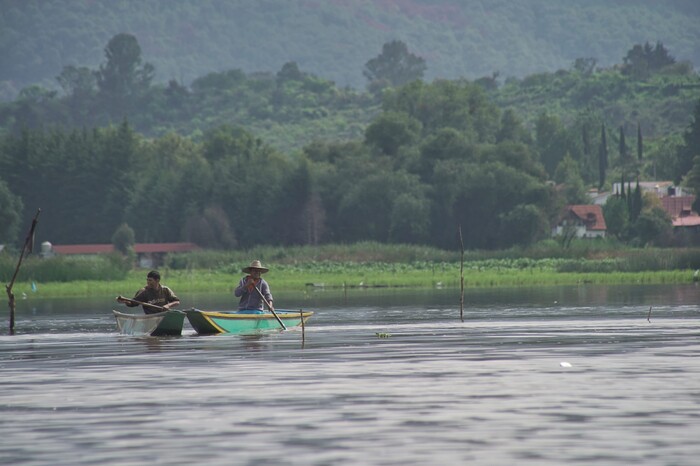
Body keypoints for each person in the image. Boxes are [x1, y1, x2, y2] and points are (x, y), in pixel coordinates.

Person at [116, 270, 180, 315]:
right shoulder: (144, 292)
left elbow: (177, 302)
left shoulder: (165, 290)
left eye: (150, 280)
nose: (148, 282)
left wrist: (168, 305)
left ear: (157, 280)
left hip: (165, 315)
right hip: (151, 317)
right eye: (147, 280)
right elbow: (133, 303)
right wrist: (124, 301)